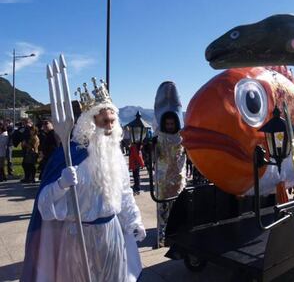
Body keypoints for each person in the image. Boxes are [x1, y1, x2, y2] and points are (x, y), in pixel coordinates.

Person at [21, 84, 146, 282]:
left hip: (111, 234)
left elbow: (124, 192)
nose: (110, 127)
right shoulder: (71, 155)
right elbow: (44, 204)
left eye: (113, 121)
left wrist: (134, 220)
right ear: (92, 121)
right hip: (77, 238)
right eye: (105, 121)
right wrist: (60, 184)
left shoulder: (116, 155)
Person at [154, 111, 186, 247]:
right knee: (162, 208)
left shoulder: (182, 137)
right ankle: (162, 237)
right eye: (167, 124)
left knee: (177, 209)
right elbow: (154, 155)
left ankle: (176, 235)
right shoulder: (159, 137)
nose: (169, 126)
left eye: (172, 123)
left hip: (177, 180)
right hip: (163, 181)